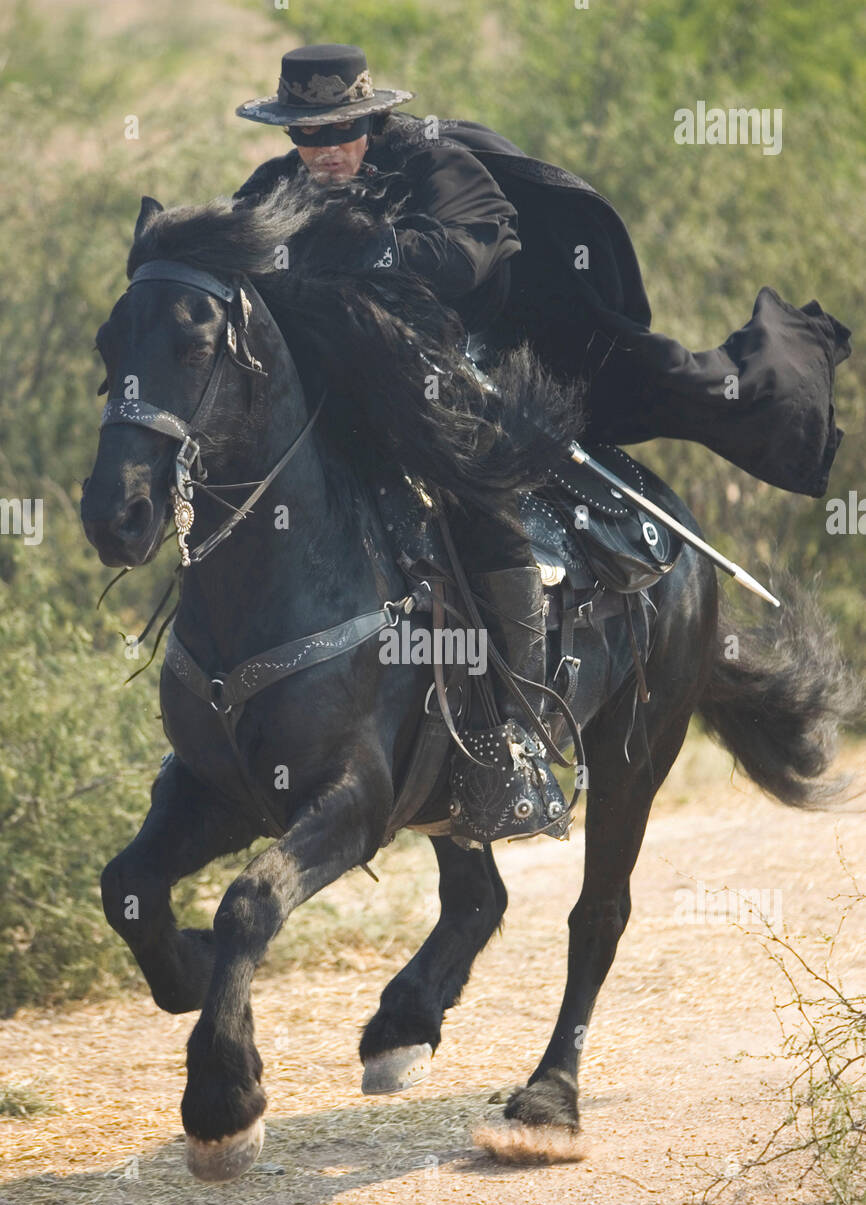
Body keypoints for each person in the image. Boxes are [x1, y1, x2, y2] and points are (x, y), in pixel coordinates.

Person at [234, 42, 851, 835]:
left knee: (478, 503)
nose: (321, 150)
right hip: (332, 400)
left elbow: (472, 252)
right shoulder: (276, 188)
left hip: (456, 382)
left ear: (370, 118)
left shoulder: (438, 166)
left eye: (338, 130)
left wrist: (370, 243)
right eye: (304, 135)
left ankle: (513, 739)